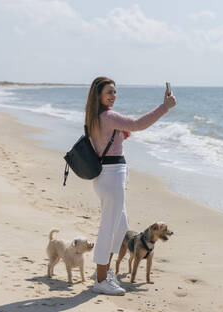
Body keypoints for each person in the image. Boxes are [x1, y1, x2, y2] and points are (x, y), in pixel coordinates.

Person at [84, 76, 176, 295]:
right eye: (109, 92)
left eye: (115, 92)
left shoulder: (94, 117)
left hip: (106, 177)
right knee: (109, 229)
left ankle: (105, 273)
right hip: (111, 177)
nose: (113, 96)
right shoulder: (108, 116)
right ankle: (100, 279)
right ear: (98, 95)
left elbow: (103, 144)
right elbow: (138, 124)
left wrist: (119, 136)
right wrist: (165, 107)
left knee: (120, 227)